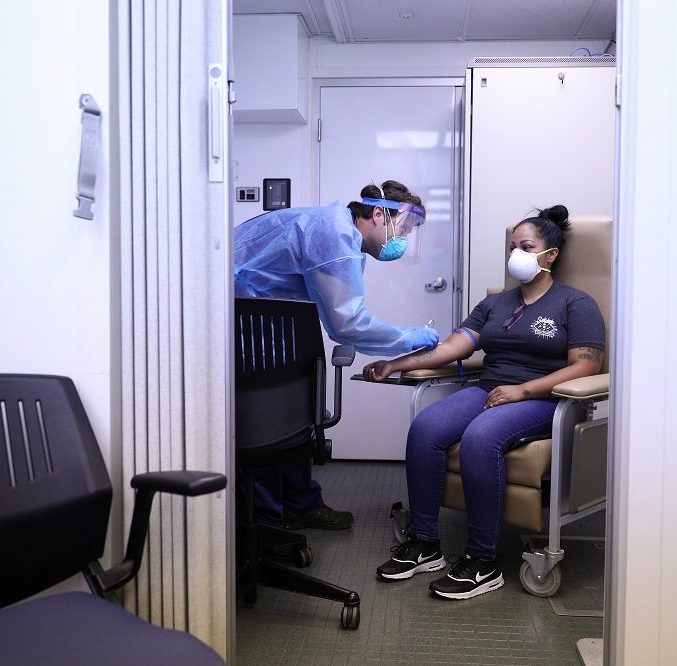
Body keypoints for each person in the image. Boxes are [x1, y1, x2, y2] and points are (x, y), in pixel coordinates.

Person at [363, 205, 605, 600]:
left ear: (550, 255)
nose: (516, 254)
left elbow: (585, 366)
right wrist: (395, 363)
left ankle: (482, 561)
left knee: (480, 437)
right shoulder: (495, 304)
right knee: (425, 428)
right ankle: (424, 543)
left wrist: (523, 390)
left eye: (526, 247)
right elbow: (450, 348)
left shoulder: (576, 304)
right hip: (490, 389)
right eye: (513, 247)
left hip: (546, 399)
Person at [234, 180, 439, 533]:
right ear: (378, 214)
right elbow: (347, 324)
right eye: (403, 229)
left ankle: (299, 504)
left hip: (258, 324)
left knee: (292, 409)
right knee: (264, 417)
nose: (403, 240)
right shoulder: (333, 237)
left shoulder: (338, 233)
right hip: (238, 325)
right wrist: (408, 338)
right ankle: (266, 524)